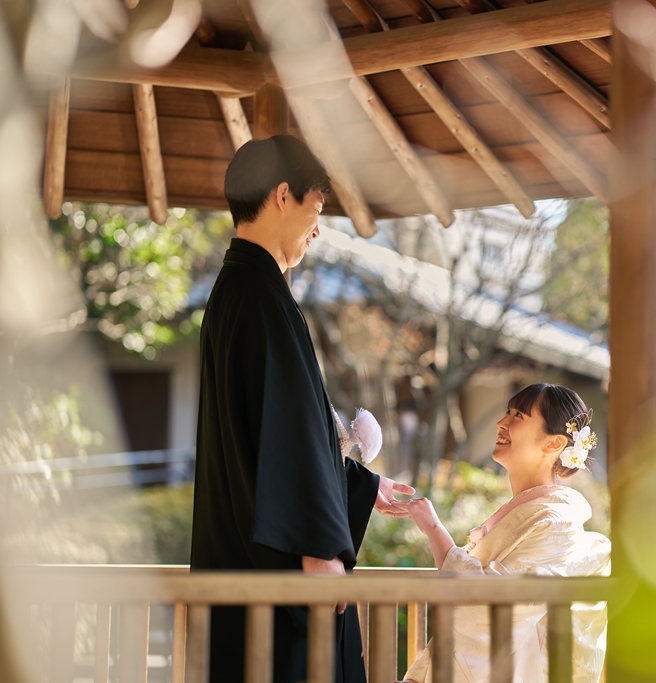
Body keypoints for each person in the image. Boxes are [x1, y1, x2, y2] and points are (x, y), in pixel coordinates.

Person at [190, 135, 413, 683]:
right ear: (281, 197)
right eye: (315, 212)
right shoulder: (258, 295)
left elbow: (282, 434)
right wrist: (317, 548)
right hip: (285, 575)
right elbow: (282, 432)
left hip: (247, 561)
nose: (317, 230)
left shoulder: (242, 290)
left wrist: (357, 483)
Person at [392, 384, 611, 683]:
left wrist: (433, 527)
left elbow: (487, 606)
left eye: (518, 415)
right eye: (507, 411)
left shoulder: (556, 521)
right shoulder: (531, 509)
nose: (502, 422)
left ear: (553, 444)